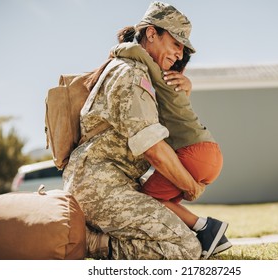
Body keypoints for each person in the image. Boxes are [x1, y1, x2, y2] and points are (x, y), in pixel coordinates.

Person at [63, 1, 222, 260]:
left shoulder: (138, 72)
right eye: (176, 44)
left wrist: (184, 90)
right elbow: (154, 149)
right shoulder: (131, 74)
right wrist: (190, 187)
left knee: (187, 237)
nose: (179, 55)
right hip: (100, 189)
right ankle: (90, 242)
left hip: (115, 185)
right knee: (186, 248)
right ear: (151, 34)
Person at [112, 29, 231, 258]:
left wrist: (118, 49)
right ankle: (207, 237)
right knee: (165, 202)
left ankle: (207, 228)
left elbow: (137, 51)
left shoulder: (163, 77)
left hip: (193, 152)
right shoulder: (176, 86)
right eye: (174, 47)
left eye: (178, 53)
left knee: (147, 200)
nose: (175, 56)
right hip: (210, 154)